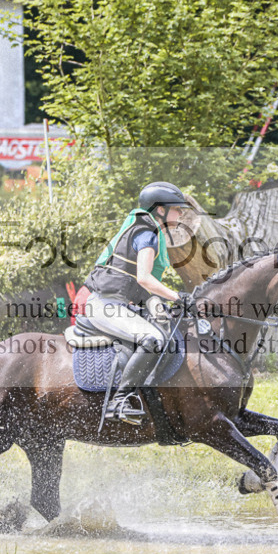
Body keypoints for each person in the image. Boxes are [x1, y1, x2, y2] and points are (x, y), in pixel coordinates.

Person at [81, 181, 194, 424]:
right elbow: (144, 278)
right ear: (160, 210)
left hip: (116, 304)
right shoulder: (147, 234)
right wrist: (177, 296)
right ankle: (119, 401)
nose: (181, 214)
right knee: (153, 339)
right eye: (177, 209)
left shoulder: (147, 230)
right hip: (104, 305)